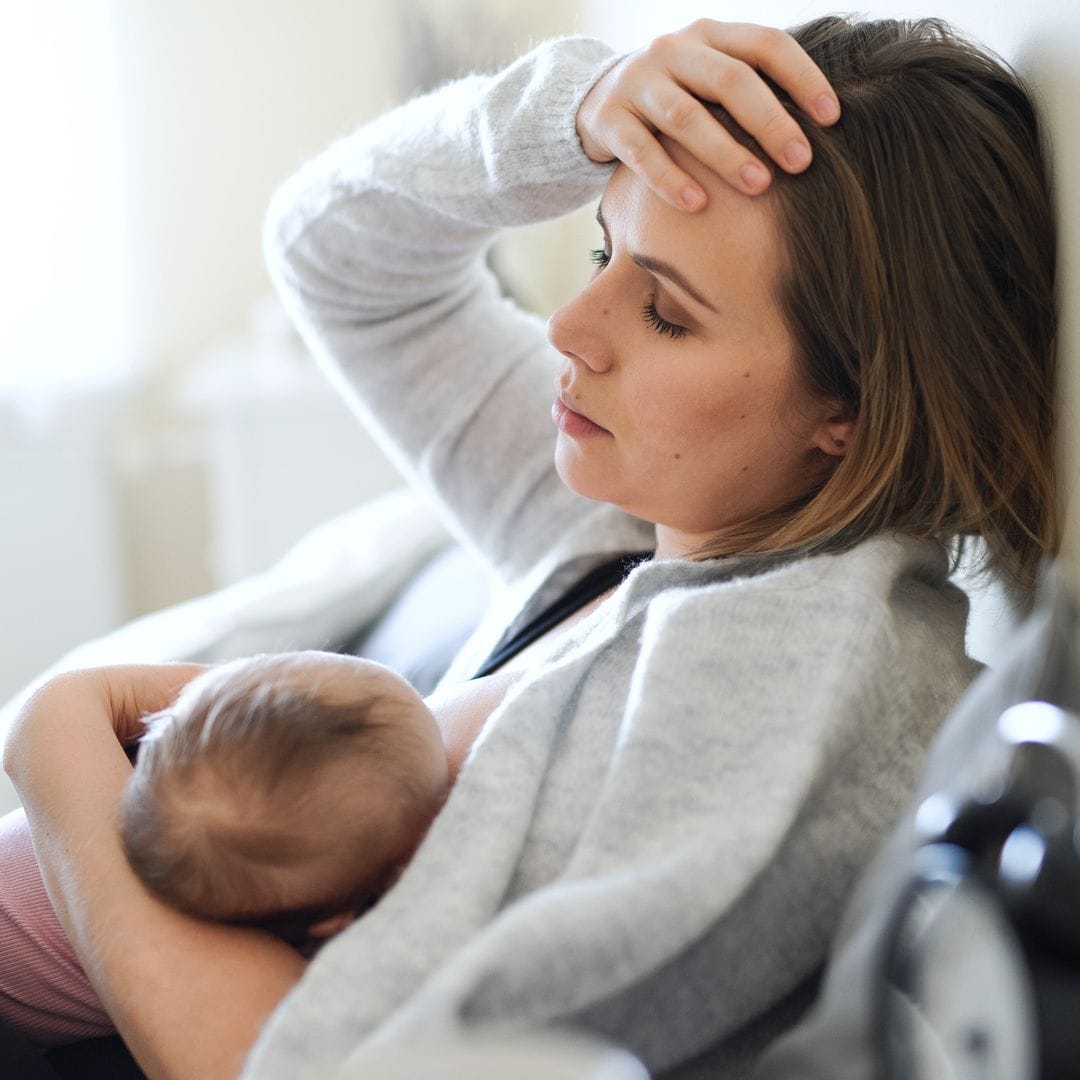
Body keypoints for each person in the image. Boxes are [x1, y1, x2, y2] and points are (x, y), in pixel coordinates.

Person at [0, 13, 1057, 1080]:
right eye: (604, 250)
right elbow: (332, 258)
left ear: (852, 410)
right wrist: (574, 113)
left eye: (666, 312)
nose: (570, 326)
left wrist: (59, 738)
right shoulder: (643, 524)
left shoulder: (777, 691)